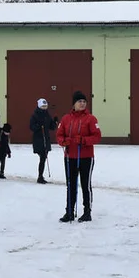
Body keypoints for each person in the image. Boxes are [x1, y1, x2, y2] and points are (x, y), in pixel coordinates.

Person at [56, 91, 102, 222]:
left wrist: (84, 140)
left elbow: (97, 136)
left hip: (86, 157)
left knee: (85, 184)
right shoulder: (66, 119)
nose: (82, 104)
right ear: (74, 104)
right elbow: (59, 135)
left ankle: (87, 212)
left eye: (84, 102)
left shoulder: (91, 119)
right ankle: (69, 211)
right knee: (71, 184)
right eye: (79, 101)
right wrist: (63, 142)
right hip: (70, 156)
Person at [29, 98, 58, 184]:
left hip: (46, 139)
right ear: (39, 106)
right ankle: (40, 176)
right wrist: (38, 125)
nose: (44, 108)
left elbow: (51, 127)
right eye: (43, 106)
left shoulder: (47, 115)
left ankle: (40, 176)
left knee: (43, 158)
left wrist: (55, 122)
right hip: (38, 140)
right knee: (42, 157)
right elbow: (32, 127)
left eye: (45, 106)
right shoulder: (35, 115)